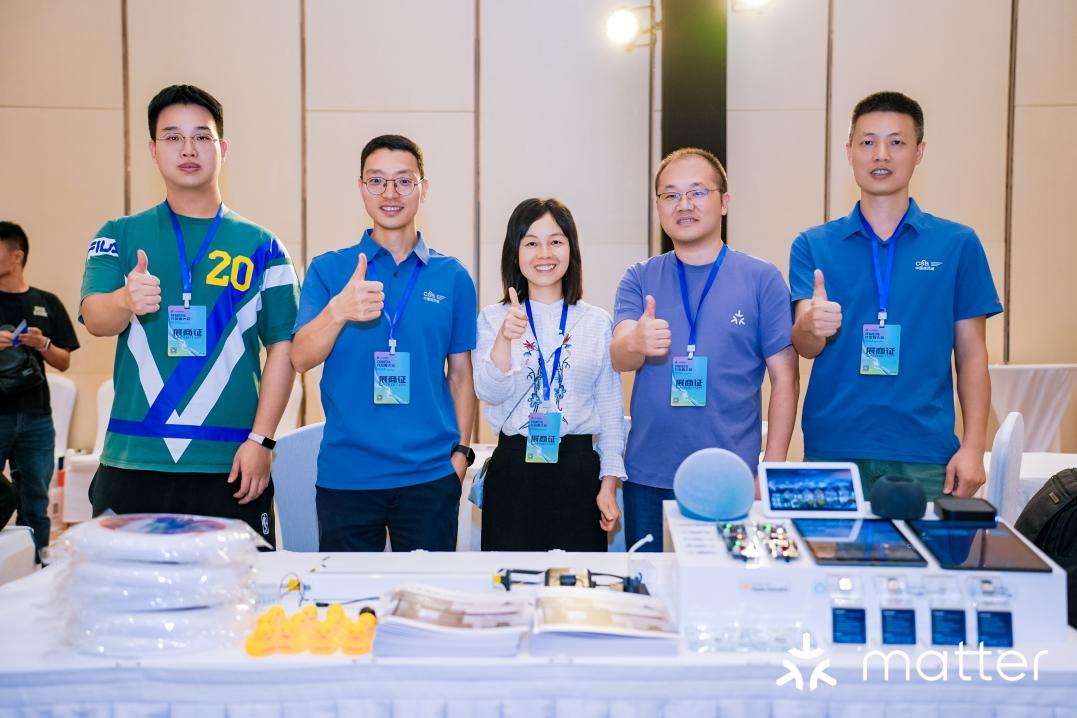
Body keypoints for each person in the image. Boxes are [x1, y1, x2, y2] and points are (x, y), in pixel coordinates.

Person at [80, 85, 299, 546]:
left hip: (232, 463)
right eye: (173, 137)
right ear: (153, 150)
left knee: (239, 587)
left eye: (201, 136)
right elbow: (95, 318)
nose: (187, 149)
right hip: (134, 458)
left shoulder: (264, 246)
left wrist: (262, 440)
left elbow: (284, 347)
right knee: (127, 585)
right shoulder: (119, 234)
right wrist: (124, 300)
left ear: (223, 148)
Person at [790, 91, 1001, 501]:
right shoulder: (813, 245)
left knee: (925, 548)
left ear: (919, 151)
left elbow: (973, 354)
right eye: (868, 142)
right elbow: (805, 346)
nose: (881, 155)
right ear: (849, 152)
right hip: (834, 450)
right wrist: (810, 325)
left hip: (925, 453)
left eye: (897, 142)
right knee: (829, 547)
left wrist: (974, 447)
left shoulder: (957, 244)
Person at [291, 134, 477, 552]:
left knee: (427, 591)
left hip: (430, 476)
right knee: (348, 592)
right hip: (347, 476)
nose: (390, 193)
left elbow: (461, 375)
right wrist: (338, 311)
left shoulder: (452, 277)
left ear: (423, 188)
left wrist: (461, 456)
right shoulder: (329, 269)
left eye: (404, 181)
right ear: (361, 188)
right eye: (377, 181)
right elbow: (300, 358)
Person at [611, 148, 799, 551]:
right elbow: (619, 355)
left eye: (697, 192)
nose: (684, 205)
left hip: (731, 479)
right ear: (659, 206)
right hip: (648, 477)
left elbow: (786, 379)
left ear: (724, 202)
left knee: (730, 585)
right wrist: (636, 341)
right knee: (649, 583)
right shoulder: (640, 277)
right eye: (671, 195)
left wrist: (771, 470)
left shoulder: (762, 279)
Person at [474, 198, 625, 551]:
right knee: (509, 580)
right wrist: (504, 340)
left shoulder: (596, 322)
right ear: (515, 252)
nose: (544, 253)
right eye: (531, 243)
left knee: (578, 581)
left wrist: (608, 484)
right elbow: (489, 393)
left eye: (555, 241)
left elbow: (610, 412)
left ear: (571, 249)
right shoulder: (493, 319)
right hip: (513, 470)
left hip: (577, 471)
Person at [0, 221, 79, 556]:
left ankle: (37, 562)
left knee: (35, 497)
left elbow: (64, 361)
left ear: (16, 256)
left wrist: (42, 343)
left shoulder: (46, 302)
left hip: (36, 417)